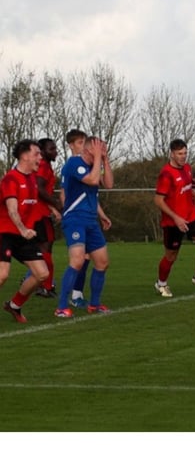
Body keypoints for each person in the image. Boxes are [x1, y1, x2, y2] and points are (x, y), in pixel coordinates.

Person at [55, 134, 114, 317]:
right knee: (78, 260)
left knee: (102, 262)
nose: (103, 151)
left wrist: (105, 160)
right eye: (100, 148)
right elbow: (92, 181)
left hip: (90, 220)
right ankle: (62, 307)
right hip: (75, 219)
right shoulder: (75, 164)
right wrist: (98, 158)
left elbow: (109, 184)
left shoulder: (94, 165)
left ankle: (94, 304)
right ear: (89, 149)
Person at [153, 138, 195, 297]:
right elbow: (158, 200)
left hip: (191, 216)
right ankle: (161, 284)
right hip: (173, 222)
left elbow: (185, 188)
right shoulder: (166, 174)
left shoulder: (187, 168)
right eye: (180, 153)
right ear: (172, 154)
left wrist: (194, 194)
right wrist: (176, 218)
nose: (183, 156)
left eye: (185, 153)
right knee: (171, 256)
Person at [1, 139, 51, 323]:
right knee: (2, 275)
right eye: (37, 153)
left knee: (42, 274)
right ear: (24, 156)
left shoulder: (32, 179)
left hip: (23, 234)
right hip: (5, 233)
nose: (40, 157)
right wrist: (22, 229)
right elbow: (12, 209)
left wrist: (53, 210)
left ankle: (14, 305)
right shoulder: (10, 179)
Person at [27, 137, 63, 298]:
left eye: (55, 148)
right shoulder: (42, 166)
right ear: (42, 151)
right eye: (51, 149)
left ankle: (39, 281)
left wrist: (53, 209)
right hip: (38, 214)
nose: (55, 151)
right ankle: (46, 285)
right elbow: (39, 189)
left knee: (40, 248)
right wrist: (56, 204)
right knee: (45, 247)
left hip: (40, 211)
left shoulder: (46, 166)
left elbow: (42, 191)